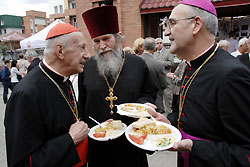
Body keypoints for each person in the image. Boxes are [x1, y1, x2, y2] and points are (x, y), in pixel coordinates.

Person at [148, 0, 250, 166]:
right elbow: (194, 119)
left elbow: (245, 154)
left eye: (172, 23)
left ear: (196, 25)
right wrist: (170, 123)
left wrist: (194, 147)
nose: (166, 32)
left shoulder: (232, 74)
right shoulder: (192, 65)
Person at [80, 5, 157, 167]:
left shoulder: (138, 64)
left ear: (118, 37)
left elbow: (149, 93)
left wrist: (142, 106)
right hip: (98, 144)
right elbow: (82, 104)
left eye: (106, 39)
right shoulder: (87, 67)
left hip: (131, 142)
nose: (101, 45)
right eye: (97, 41)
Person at [4, 23, 90, 167]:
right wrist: (69, 139)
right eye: (82, 48)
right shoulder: (25, 94)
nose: (87, 55)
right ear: (60, 51)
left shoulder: (64, 79)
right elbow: (21, 163)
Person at [141, 37, 168, 113]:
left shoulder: (135, 62)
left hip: (139, 102)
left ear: (143, 46)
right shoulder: (158, 64)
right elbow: (164, 84)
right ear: (154, 48)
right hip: (155, 101)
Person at [153, 37, 175, 114]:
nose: (159, 45)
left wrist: (161, 63)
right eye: (157, 43)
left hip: (166, 77)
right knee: (159, 96)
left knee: (167, 96)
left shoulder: (168, 52)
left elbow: (172, 63)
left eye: (160, 43)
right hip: (157, 78)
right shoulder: (154, 54)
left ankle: (169, 113)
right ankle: (160, 112)